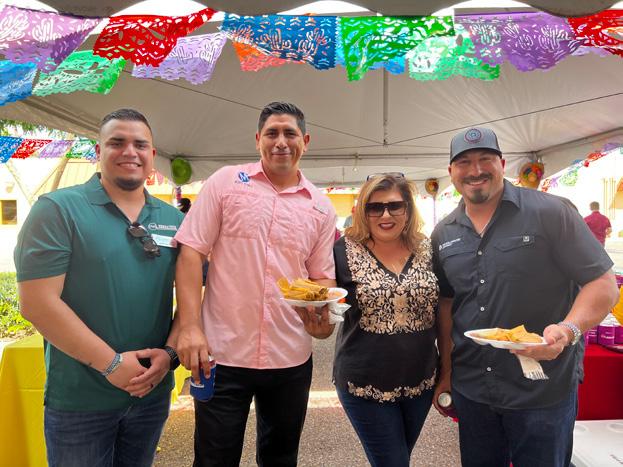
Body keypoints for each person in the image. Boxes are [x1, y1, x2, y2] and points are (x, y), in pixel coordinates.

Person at [431, 127, 619, 467]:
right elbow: (448, 304)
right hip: (474, 388)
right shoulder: (444, 233)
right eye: (464, 162)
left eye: (485, 159)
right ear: (451, 172)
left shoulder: (551, 212)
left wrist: (567, 331)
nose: (476, 170)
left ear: (503, 164)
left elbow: (603, 284)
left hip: (542, 390)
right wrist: (446, 372)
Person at [13, 109, 184, 467]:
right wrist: (112, 365)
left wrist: (169, 355)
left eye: (140, 144)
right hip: (81, 401)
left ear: (153, 155)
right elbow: (38, 304)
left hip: (150, 395)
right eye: (117, 142)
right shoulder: (58, 210)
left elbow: (194, 299)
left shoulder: (175, 220)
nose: (130, 152)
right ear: (98, 150)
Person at [174, 102, 338, 467]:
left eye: (290, 133)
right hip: (221, 353)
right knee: (214, 460)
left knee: (281, 459)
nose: (281, 142)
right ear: (257, 139)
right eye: (271, 133)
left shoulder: (320, 206)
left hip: (289, 356)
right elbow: (191, 254)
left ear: (305, 141)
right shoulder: (226, 183)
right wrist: (190, 327)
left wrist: (323, 319)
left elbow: (322, 276)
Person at [333, 173, 438, 467]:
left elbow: (444, 307)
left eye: (395, 206)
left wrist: (448, 370)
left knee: (399, 457)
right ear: (363, 211)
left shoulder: (428, 249)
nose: (386, 215)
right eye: (375, 207)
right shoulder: (342, 251)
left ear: (408, 208)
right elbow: (325, 303)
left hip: (420, 382)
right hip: (364, 384)